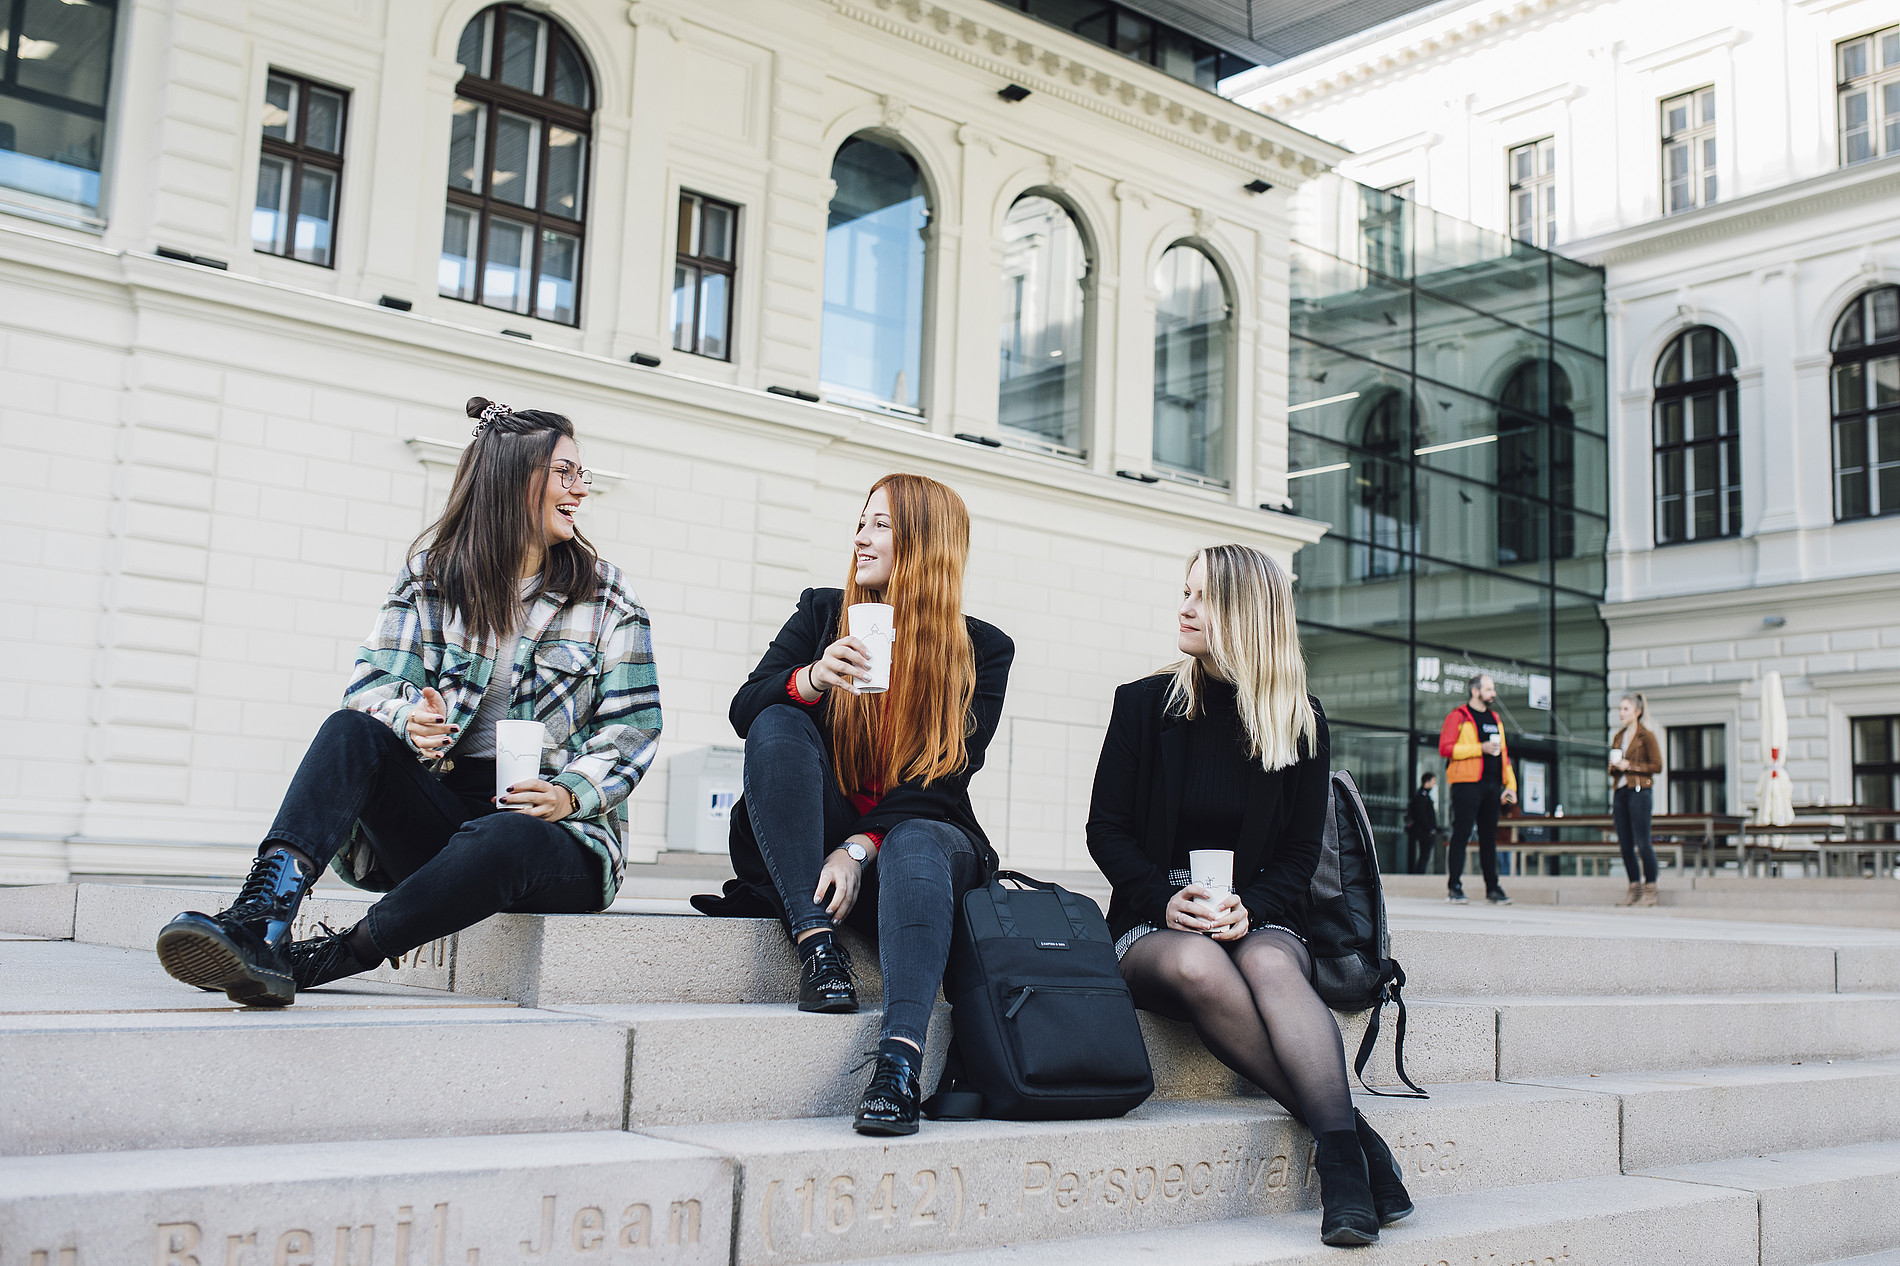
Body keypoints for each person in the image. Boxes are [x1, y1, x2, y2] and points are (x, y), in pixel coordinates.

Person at [155, 398, 662, 1006]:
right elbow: (369, 687)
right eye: (566, 473)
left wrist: (567, 793)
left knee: (504, 837)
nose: (580, 490)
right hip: (441, 808)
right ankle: (260, 920)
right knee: (350, 730)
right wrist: (408, 718)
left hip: (555, 835)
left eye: (581, 475)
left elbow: (633, 724)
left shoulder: (606, 594)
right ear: (514, 478)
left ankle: (324, 960)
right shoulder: (432, 577)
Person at [1086, 544, 1411, 1248]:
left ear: (1244, 613)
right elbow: (1105, 831)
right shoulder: (1143, 705)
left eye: (1201, 596)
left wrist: (1251, 908)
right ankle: (1354, 1142)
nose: (1183, 606)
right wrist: (1160, 899)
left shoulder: (1300, 720)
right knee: (1200, 966)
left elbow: (1300, 855)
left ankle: (1343, 1173)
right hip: (1154, 924)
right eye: (1185, 591)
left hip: (1259, 913)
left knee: (1266, 964)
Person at [691, 473, 1014, 1138]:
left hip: (915, 855)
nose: (860, 536)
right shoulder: (820, 614)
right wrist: (810, 678)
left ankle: (898, 1065)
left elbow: (947, 774)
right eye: (861, 521)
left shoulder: (981, 650)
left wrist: (860, 845)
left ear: (925, 542)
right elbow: (745, 713)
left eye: (881, 525)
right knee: (779, 718)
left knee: (918, 838)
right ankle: (817, 948)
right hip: (815, 869)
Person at [1438, 675, 1516, 905]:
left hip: (1493, 785)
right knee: (1461, 834)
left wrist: (1510, 785)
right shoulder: (1458, 716)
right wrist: (1479, 748)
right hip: (1467, 785)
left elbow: (1505, 755)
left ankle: (1493, 888)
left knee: (1489, 838)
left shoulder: (1495, 718)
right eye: (1489, 689)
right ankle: (1454, 887)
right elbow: (1446, 748)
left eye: (1493, 689)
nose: (1493, 693)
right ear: (1475, 691)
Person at [1610, 692, 1663, 907]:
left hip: (1640, 791)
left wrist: (1629, 766)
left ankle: (1650, 888)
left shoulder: (1646, 736)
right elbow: (1614, 770)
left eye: (1625, 709)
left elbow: (1657, 766)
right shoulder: (1618, 736)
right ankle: (1634, 887)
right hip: (1621, 791)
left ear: (1637, 712)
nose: (1621, 713)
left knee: (1642, 842)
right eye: (1620, 709)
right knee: (1624, 844)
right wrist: (1614, 768)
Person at [1405, 772, 1440, 875]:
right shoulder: (1421, 797)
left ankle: (1419, 872)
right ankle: (1419, 873)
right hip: (1424, 831)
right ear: (1427, 782)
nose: (1434, 785)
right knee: (1424, 855)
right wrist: (1429, 828)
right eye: (1433, 782)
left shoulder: (1424, 796)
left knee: (1424, 855)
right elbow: (1422, 816)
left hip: (1424, 830)